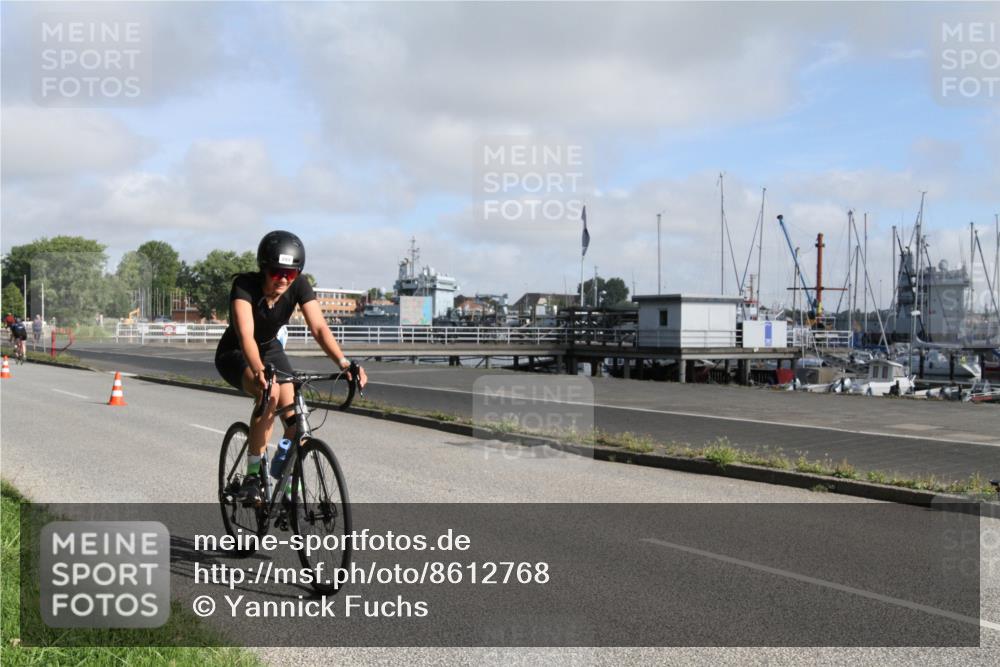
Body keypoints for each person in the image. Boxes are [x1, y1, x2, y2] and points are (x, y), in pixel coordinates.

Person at [214, 230, 366, 501]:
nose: (284, 279)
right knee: (270, 393)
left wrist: (344, 363)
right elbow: (246, 335)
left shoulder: (299, 285)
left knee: (298, 418)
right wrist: (259, 371)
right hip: (236, 351)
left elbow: (319, 328)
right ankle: (252, 476)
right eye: (277, 272)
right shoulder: (244, 286)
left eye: (291, 273)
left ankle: (287, 480)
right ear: (264, 268)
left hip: (271, 349)